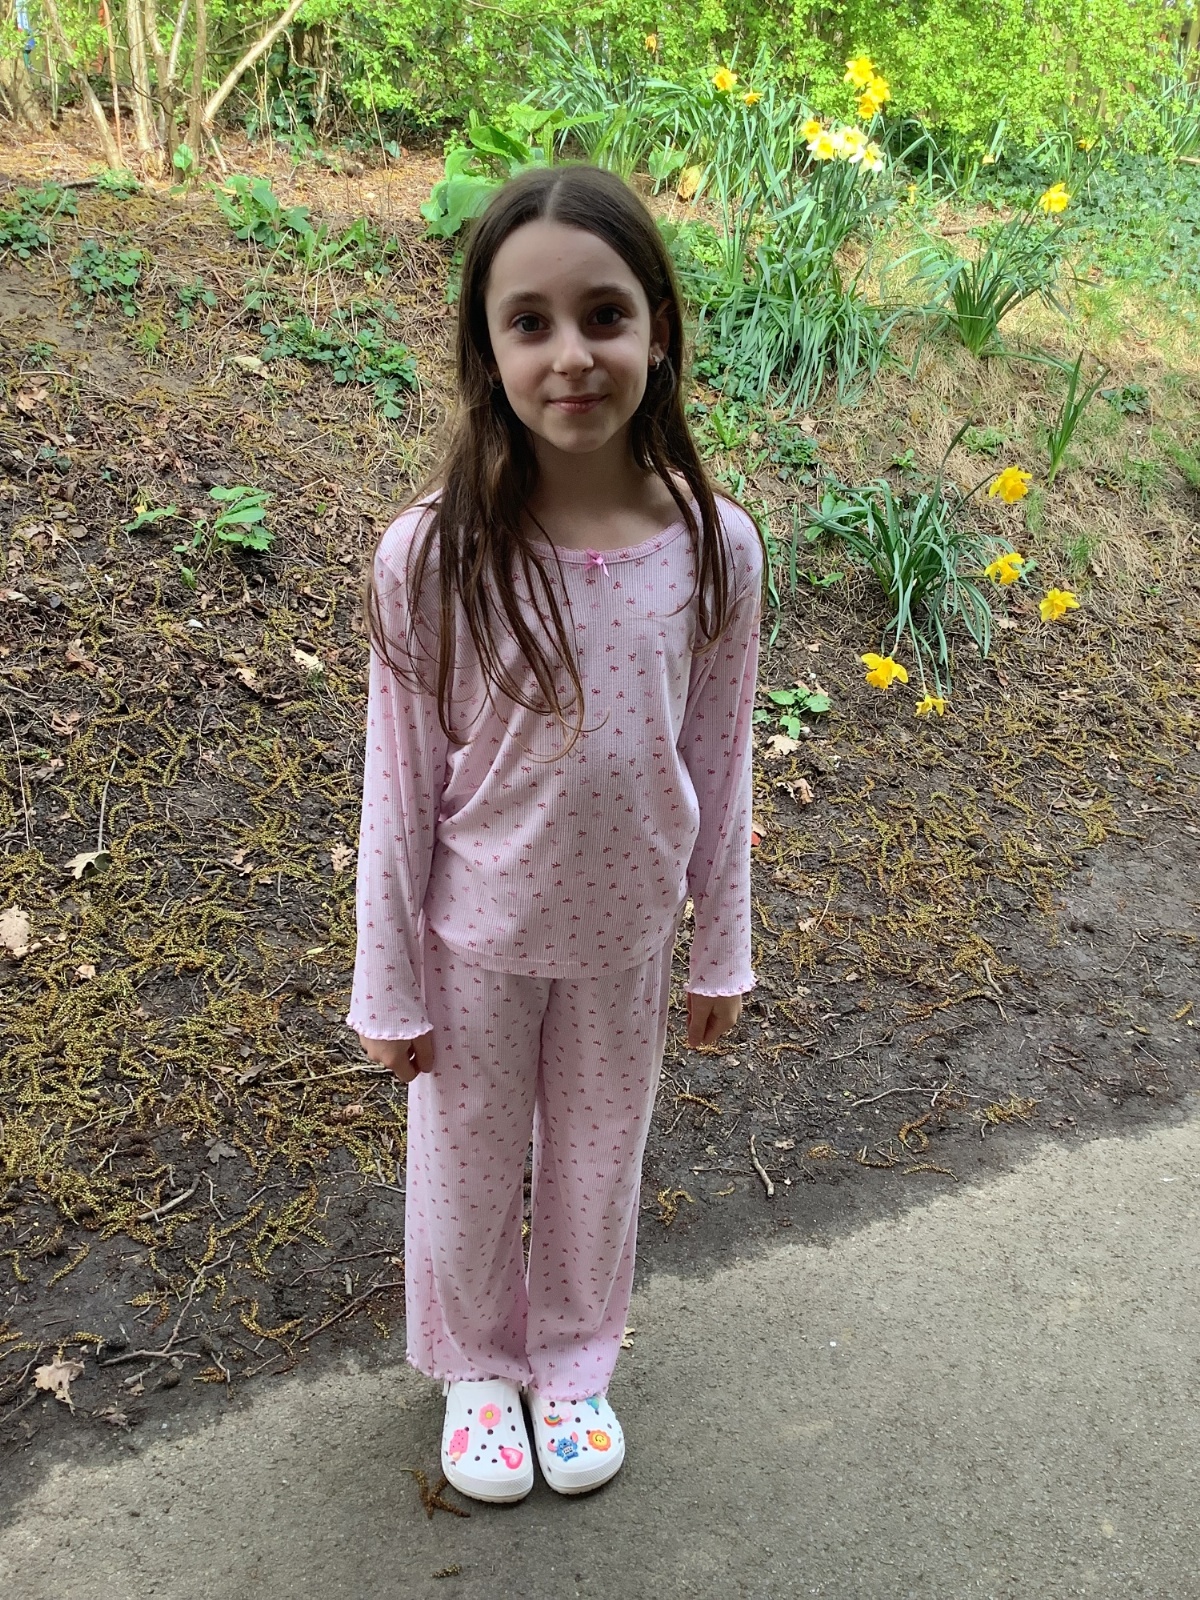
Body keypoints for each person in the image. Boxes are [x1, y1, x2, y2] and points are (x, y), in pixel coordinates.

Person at [347, 164, 763, 1504]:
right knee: (466, 1170)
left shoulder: (716, 548)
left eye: (604, 315)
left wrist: (720, 951)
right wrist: (388, 985)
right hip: (475, 938)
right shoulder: (434, 556)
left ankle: (574, 1362)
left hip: (625, 941)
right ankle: (475, 1366)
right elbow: (399, 785)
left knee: (597, 1166)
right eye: (529, 323)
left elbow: (720, 762)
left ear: (659, 331)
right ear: (487, 350)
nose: (571, 354)